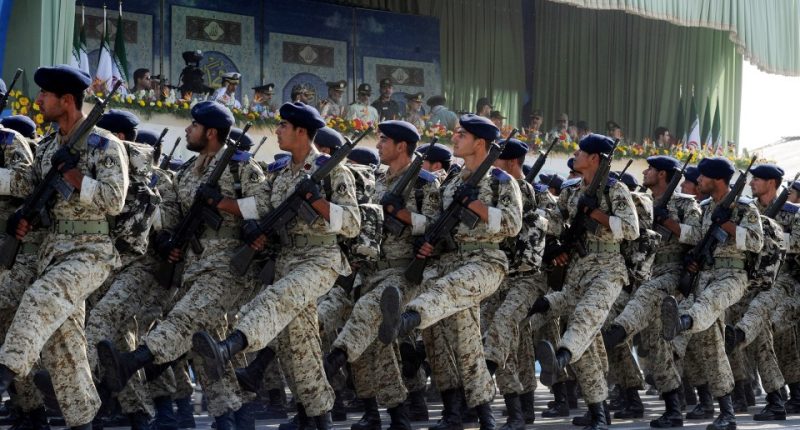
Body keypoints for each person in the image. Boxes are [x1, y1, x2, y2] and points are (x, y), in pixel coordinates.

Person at [190, 102, 361, 430]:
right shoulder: (280, 173)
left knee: (279, 297)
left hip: (319, 260)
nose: (278, 130)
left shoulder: (333, 171)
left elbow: (353, 224)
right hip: (285, 259)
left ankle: (231, 346)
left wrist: (318, 202)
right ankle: (319, 417)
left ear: (301, 131)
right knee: (299, 343)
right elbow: (261, 207)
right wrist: (230, 210)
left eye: (283, 126)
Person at [97, 101, 265, 430]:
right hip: (192, 267)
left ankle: (135, 363)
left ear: (211, 132)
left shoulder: (241, 167)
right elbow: (170, 210)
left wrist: (221, 203)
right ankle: (231, 416)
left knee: (183, 321)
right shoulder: (188, 171)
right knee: (205, 350)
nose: (188, 130)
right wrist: (166, 240)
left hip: (229, 267)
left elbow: (263, 205)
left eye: (194, 125)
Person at [0, 64, 129, 430]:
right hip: (53, 250)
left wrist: (77, 179)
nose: (38, 100)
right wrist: (24, 216)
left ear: (67, 100)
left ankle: (6, 371)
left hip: (91, 251)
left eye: (45, 95)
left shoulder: (106, 145)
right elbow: (30, 183)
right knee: (64, 344)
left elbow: (114, 200)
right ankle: (83, 421)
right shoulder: (47, 147)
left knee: (41, 296)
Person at [378, 114, 523, 430]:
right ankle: (461, 413)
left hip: (485, 262)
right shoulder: (452, 183)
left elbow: (513, 225)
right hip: (448, 262)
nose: (454, 139)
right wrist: (425, 238)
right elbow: (436, 225)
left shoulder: (501, 182)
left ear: (479, 143)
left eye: (460, 134)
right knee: (446, 337)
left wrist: (478, 207)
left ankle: (406, 321)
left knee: (445, 291)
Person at [323, 120, 439, 430]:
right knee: (370, 339)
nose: (378, 145)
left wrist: (399, 213)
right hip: (370, 270)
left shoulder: (425, 183)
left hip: (402, 273)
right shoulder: (375, 180)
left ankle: (337, 361)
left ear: (401, 146)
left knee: (367, 317)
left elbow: (434, 227)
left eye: (384, 140)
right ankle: (380, 411)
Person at [530, 134, 639, 430]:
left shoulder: (615, 190)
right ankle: (598, 411)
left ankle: (560, 359)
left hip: (608, 268)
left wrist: (598, 215)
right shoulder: (571, 190)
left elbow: (631, 229)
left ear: (594, 159)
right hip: (579, 268)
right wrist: (539, 217)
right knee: (586, 342)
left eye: (580, 151)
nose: (575, 154)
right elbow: (555, 221)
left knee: (585, 319)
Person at [660, 157, 763, 430]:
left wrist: (728, 224)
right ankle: (726, 414)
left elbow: (756, 242)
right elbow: (697, 238)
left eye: (703, 177)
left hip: (732, 277)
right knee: (711, 347)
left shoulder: (743, 208)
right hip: (705, 275)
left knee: (706, 303)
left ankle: (682, 321)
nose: (698, 182)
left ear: (717, 179)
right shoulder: (705, 208)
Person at [601, 156, 702, 428]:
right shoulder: (641, 200)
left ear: (663, 175)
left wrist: (669, 223)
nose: (645, 172)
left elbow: (698, 236)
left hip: (671, 275)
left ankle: (618, 333)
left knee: (640, 319)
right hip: (643, 272)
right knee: (657, 346)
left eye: (650, 170)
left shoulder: (685, 204)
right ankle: (648, 400)